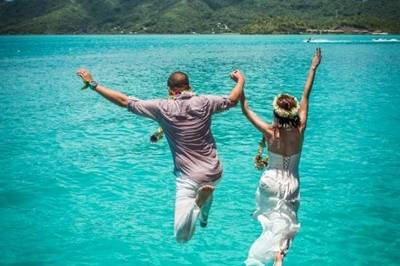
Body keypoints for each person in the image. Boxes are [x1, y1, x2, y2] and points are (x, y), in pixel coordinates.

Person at [76, 69, 245, 243]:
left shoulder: (162, 107)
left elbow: (123, 101)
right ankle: (203, 218)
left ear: (171, 91)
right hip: (215, 172)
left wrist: (92, 84)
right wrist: (240, 80)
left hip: (190, 178)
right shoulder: (205, 102)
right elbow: (232, 99)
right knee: (209, 187)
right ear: (189, 86)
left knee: (181, 237)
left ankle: (197, 205)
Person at [241, 48, 322, 266]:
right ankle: (280, 256)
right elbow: (306, 95)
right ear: (293, 112)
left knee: (270, 223)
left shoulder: (269, 132)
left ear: (276, 113)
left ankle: (260, 259)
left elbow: (246, 109)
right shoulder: (300, 129)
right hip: (291, 184)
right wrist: (313, 66)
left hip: (270, 182)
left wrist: (241, 84)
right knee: (287, 225)